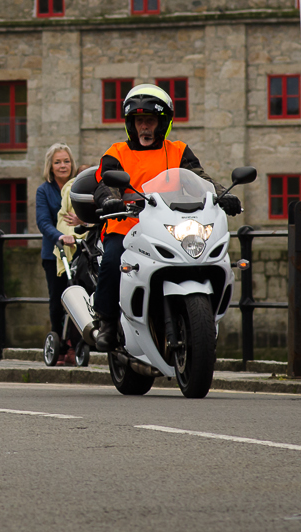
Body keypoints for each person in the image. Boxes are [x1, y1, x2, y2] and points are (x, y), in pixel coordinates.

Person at [88, 83, 223, 352]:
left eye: (150, 120)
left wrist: (221, 194)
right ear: (131, 124)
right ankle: (108, 322)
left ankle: (204, 318)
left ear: (162, 123)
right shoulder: (116, 152)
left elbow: (199, 178)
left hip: (169, 224)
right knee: (114, 258)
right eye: (139, 121)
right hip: (127, 226)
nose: (144, 128)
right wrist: (110, 198)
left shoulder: (178, 151)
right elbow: (106, 182)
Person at [35, 143, 82, 356]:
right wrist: (59, 236)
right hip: (54, 253)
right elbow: (43, 221)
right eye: (57, 162)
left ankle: (77, 344)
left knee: (80, 300)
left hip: (79, 251)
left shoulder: (79, 186)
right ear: (50, 166)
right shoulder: (44, 191)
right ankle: (60, 346)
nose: (63, 166)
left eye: (66, 161)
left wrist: (81, 221)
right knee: (57, 301)